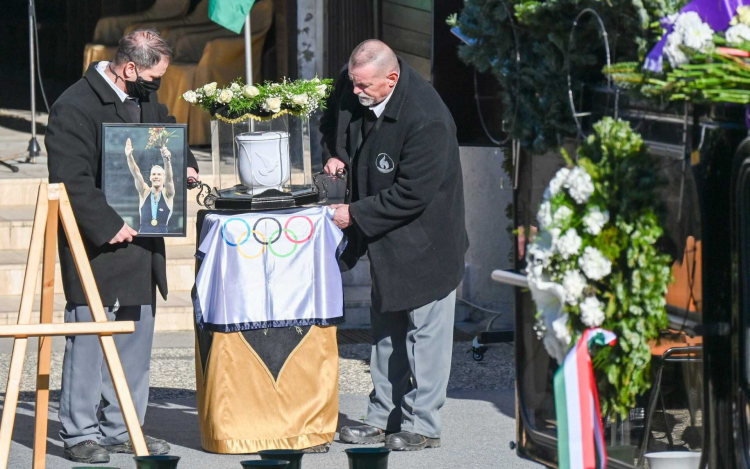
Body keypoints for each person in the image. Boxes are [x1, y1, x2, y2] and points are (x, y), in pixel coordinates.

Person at [46, 29, 199, 464]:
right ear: (130, 68)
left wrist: (185, 164)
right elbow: (69, 180)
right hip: (97, 244)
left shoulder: (145, 96)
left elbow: (167, 134)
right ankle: (80, 433)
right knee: (90, 338)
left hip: (143, 242)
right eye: (153, 76)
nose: (157, 86)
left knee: (136, 341)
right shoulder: (74, 104)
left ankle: (124, 428)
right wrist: (108, 224)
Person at [320, 39, 468, 451]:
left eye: (364, 86)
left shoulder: (427, 118)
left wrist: (355, 215)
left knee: (425, 336)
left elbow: (412, 195)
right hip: (383, 238)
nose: (355, 92)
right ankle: (382, 417)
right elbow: (329, 119)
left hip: (427, 241)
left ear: (392, 78)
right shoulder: (354, 85)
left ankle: (423, 425)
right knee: (386, 332)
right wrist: (333, 154)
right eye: (353, 82)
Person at [125, 138, 174, 234]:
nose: (156, 177)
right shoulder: (145, 192)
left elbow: (169, 178)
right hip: (143, 236)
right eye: (154, 174)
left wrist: (166, 160)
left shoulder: (168, 194)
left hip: (162, 236)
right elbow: (136, 173)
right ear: (150, 177)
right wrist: (129, 156)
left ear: (163, 178)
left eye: (159, 175)